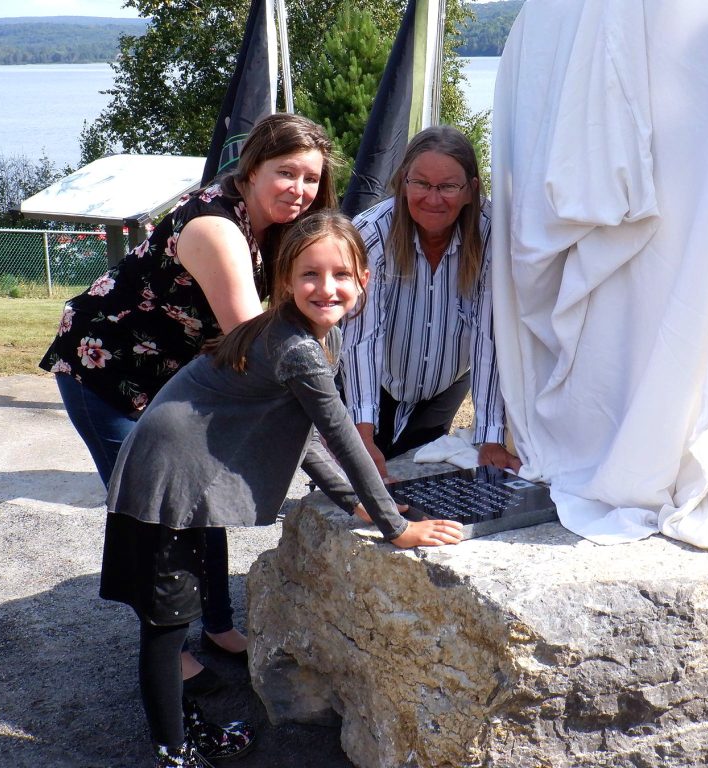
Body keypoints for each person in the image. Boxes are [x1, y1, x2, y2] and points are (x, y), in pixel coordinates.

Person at [100, 210, 464, 767]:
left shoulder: (305, 337)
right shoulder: (297, 347)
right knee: (166, 627)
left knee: (176, 618)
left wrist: (354, 504)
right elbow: (342, 438)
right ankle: (174, 754)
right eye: (310, 275)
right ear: (286, 282)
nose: (327, 288)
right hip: (163, 484)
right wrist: (396, 526)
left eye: (341, 274)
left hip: (177, 479)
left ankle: (183, 729)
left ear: (364, 279)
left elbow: (309, 439)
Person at [39, 113, 337, 694]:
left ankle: (220, 626)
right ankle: (167, 653)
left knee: (204, 500)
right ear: (251, 169)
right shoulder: (216, 228)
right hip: (107, 376)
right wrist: (324, 444)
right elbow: (258, 346)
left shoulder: (270, 224)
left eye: (310, 179)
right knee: (156, 518)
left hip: (172, 383)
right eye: (286, 173)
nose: (299, 190)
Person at [342, 125, 520, 479]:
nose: (433, 198)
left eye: (448, 186)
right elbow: (362, 337)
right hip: (377, 378)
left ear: (471, 190)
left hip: (445, 384)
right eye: (421, 183)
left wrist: (490, 437)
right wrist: (361, 429)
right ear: (403, 181)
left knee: (410, 480)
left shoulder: (491, 234)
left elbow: (490, 336)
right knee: (355, 479)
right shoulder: (370, 233)